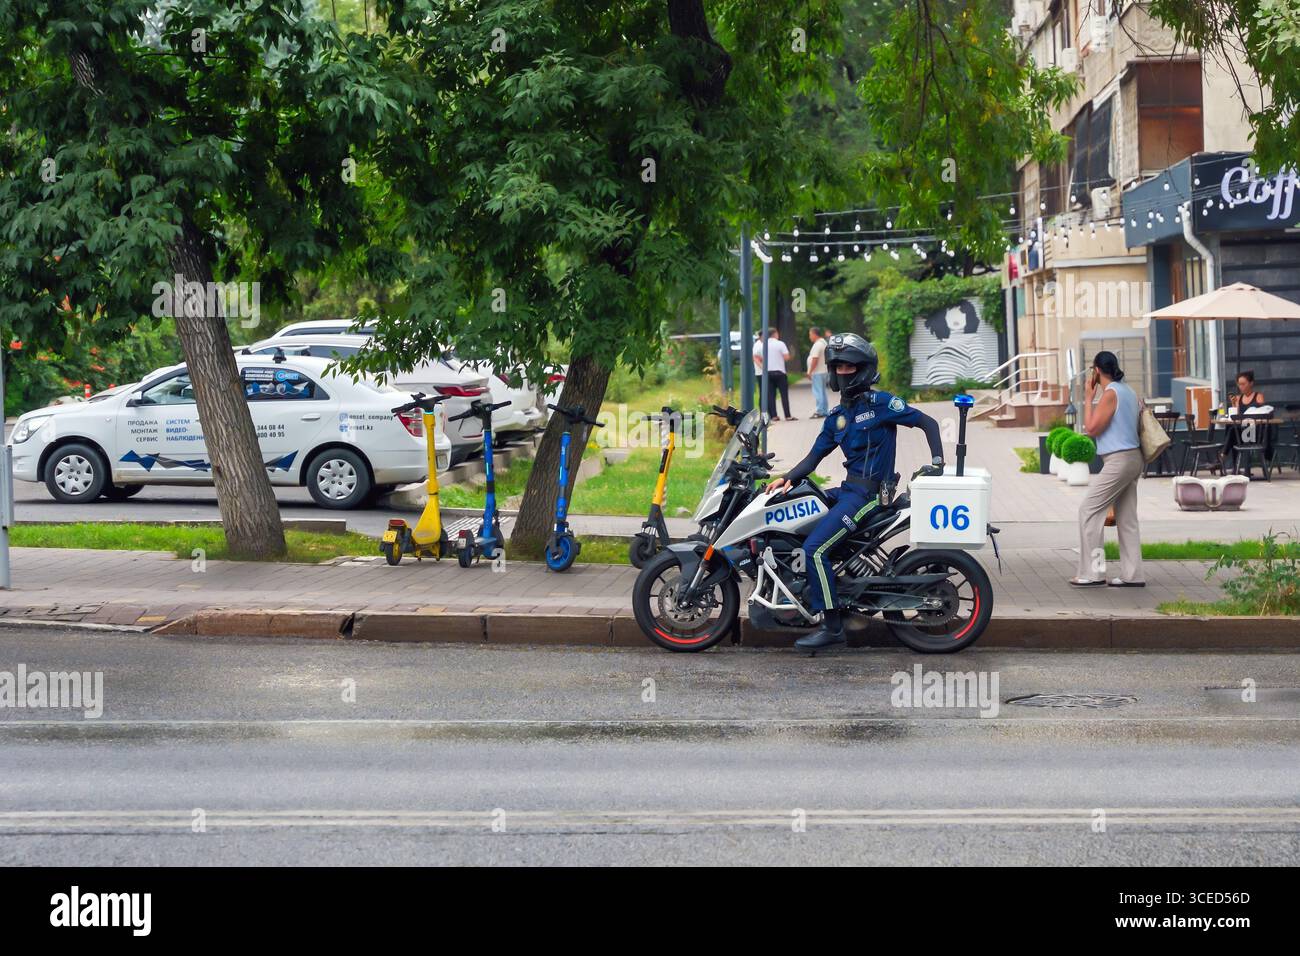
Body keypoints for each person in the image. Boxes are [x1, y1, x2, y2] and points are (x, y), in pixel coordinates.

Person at [764, 333, 944, 649]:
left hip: (870, 497)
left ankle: (833, 628)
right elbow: (813, 457)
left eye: (848, 366)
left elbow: (928, 423)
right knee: (798, 509)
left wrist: (938, 463)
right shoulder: (837, 418)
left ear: (862, 369)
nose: (842, 372)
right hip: (849, 492)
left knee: (815, 550)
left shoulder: (883, 404)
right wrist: (786, 479)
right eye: (838, 367)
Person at [1071, 350, 1144, 588]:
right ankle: (1133, 576)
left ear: (1097, 371)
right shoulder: (1129, 391)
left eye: (1093, 371)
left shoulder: (1111, 393)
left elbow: (1091, 428)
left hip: (1119, 460)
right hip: (1133, 458)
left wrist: (1088, 397)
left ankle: (1094, 573)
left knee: (1089, 511)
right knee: (1127, 518)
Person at [753, 327, 794, 420]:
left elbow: (756, 357)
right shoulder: (780, 344)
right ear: (775, 334)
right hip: (780, 373)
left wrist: (763, 366)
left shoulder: (763, 345)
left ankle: (774, 416)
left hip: (768, 373)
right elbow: (786, 357)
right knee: (784, 395)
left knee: (771, 395)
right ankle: (787, 415)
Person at [807, 327, 829, 417]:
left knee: (818, 392)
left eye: (810, 334)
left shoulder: (817, 344)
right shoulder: (824, 343)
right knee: (822, 391)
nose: (810, 337)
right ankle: (824, 410)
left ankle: (819, 410)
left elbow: (815, 359)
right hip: (823, 371)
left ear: (815, 334)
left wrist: (810, 371)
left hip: (817, 372)